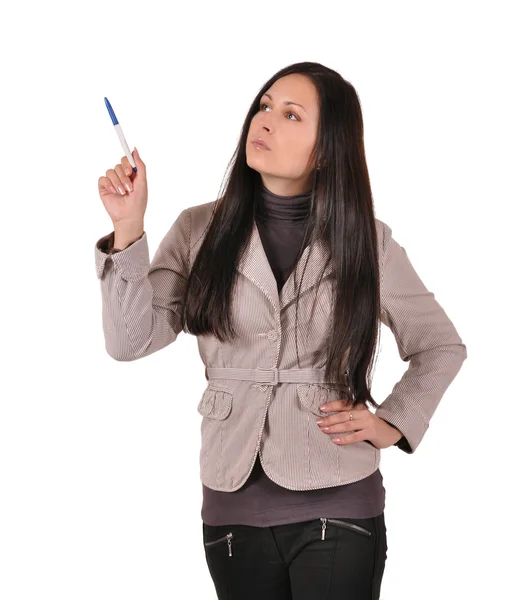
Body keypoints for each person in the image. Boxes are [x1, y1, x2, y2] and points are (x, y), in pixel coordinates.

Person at [94, 61, 467, 599]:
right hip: (231, 512)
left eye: (291, 114)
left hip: (338, 506)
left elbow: (440, 345)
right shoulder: (200, 230)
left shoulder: (367, 240)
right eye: (264, 106)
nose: (264, 120)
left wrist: (393, 423)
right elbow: (129, 341)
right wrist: (128, 229)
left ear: (327, 149)